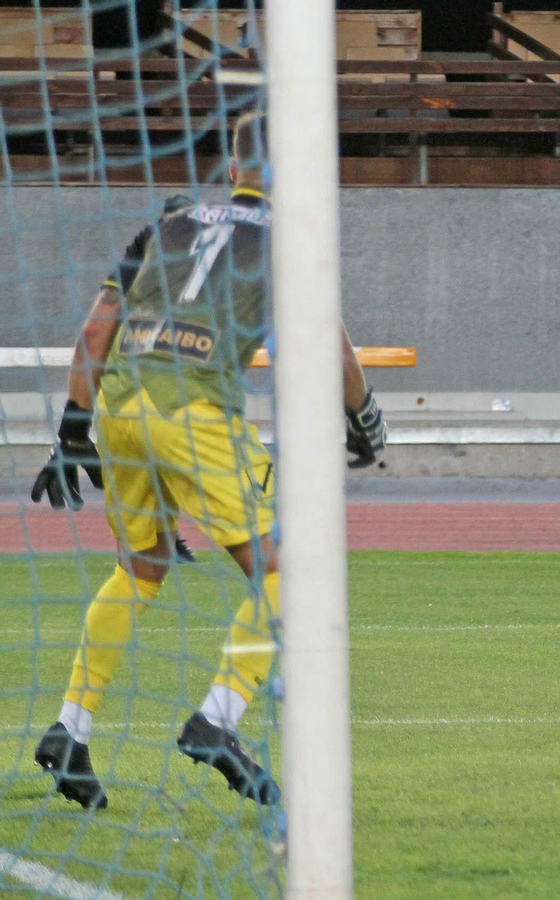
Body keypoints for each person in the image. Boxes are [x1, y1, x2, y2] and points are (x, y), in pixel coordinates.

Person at [30, 113, 389, 810]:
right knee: (295, 574)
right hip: (194, 415)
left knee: (143, 566)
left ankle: (71, 728)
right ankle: (215, 721)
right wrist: (364, 417)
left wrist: (74, 428)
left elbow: (96, 329)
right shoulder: (292, 238)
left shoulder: (166, 222)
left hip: (121, 408)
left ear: (231, 168)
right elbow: (334, 352)